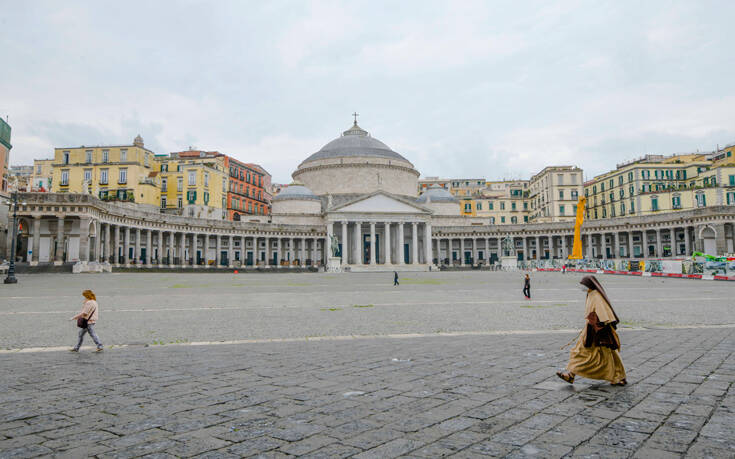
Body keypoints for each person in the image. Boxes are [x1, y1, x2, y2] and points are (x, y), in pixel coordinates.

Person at [557, 276, 626, 386]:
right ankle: (571, 375)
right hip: (589, 329)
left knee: (610, 354)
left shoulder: (597, 296)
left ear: (589, 285)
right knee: (580, 351)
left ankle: (620, 377)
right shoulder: (590, 294)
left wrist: (600, 325)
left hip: (600, 330)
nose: (582, 287)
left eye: (583, 285)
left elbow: (604, 313)